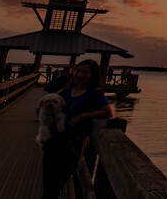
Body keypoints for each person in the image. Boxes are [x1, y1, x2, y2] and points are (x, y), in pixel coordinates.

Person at [39, 59, 114, 199]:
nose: (79, 74)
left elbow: (108, 112)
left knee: (54, 187)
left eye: (85, 72)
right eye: (77, 71)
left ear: (92, 75)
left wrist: (82, 116)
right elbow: (51, 106)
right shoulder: (67, 91)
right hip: (52, 142)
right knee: (47, 184)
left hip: (70, 145)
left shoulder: (94, 93)